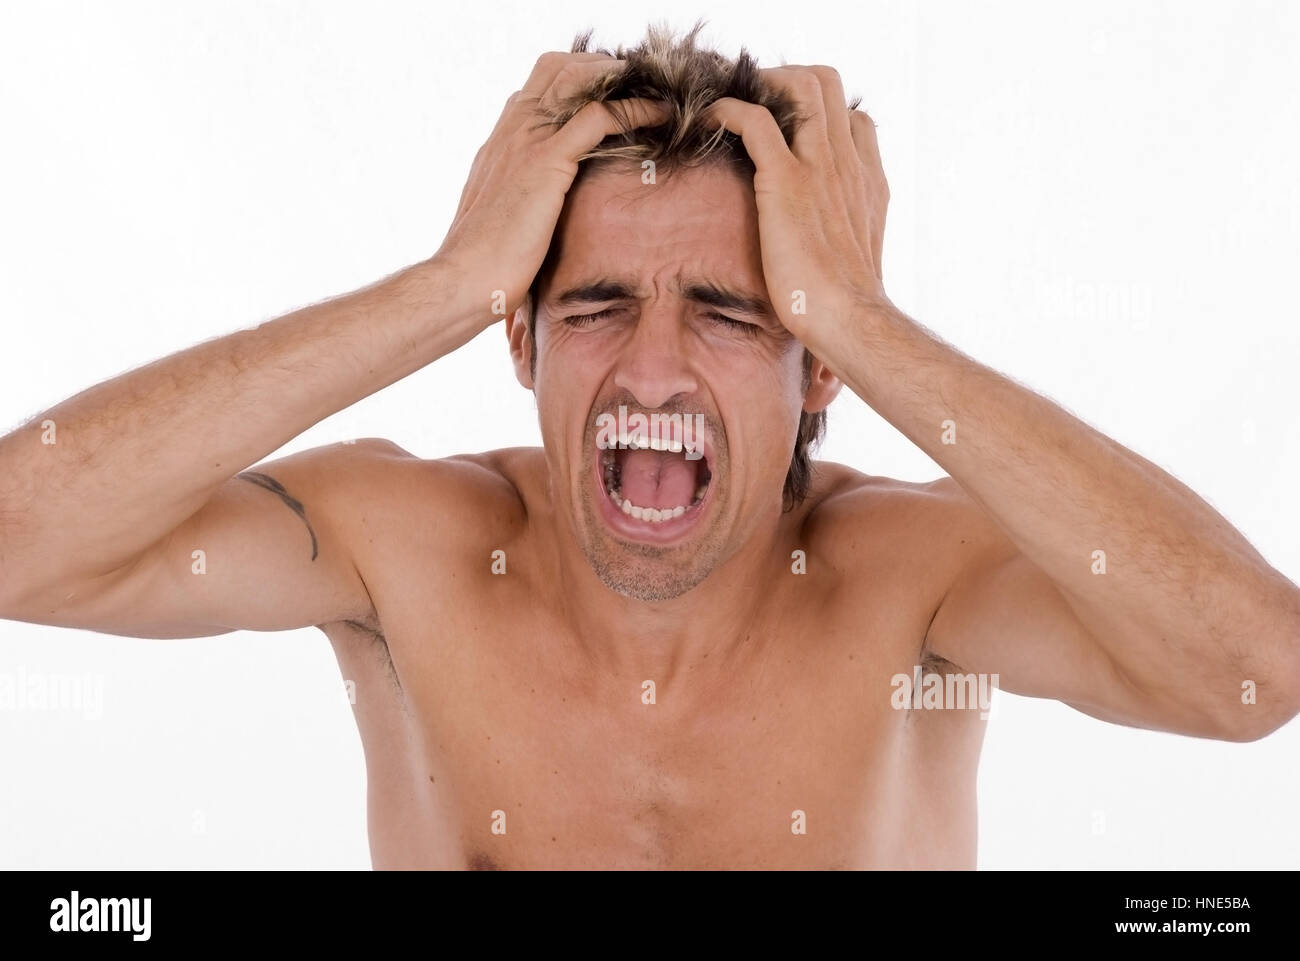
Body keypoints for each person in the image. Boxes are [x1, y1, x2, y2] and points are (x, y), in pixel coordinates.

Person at [1, 24, 1296, 869]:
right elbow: (19, 544)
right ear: (523, 340)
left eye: (733, 313)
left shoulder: (919, 586)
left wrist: (856, 310)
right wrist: (445, 284)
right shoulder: (407, 555)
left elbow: (1254, 671)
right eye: (598, 305)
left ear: (818, 366)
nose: (657, 367)